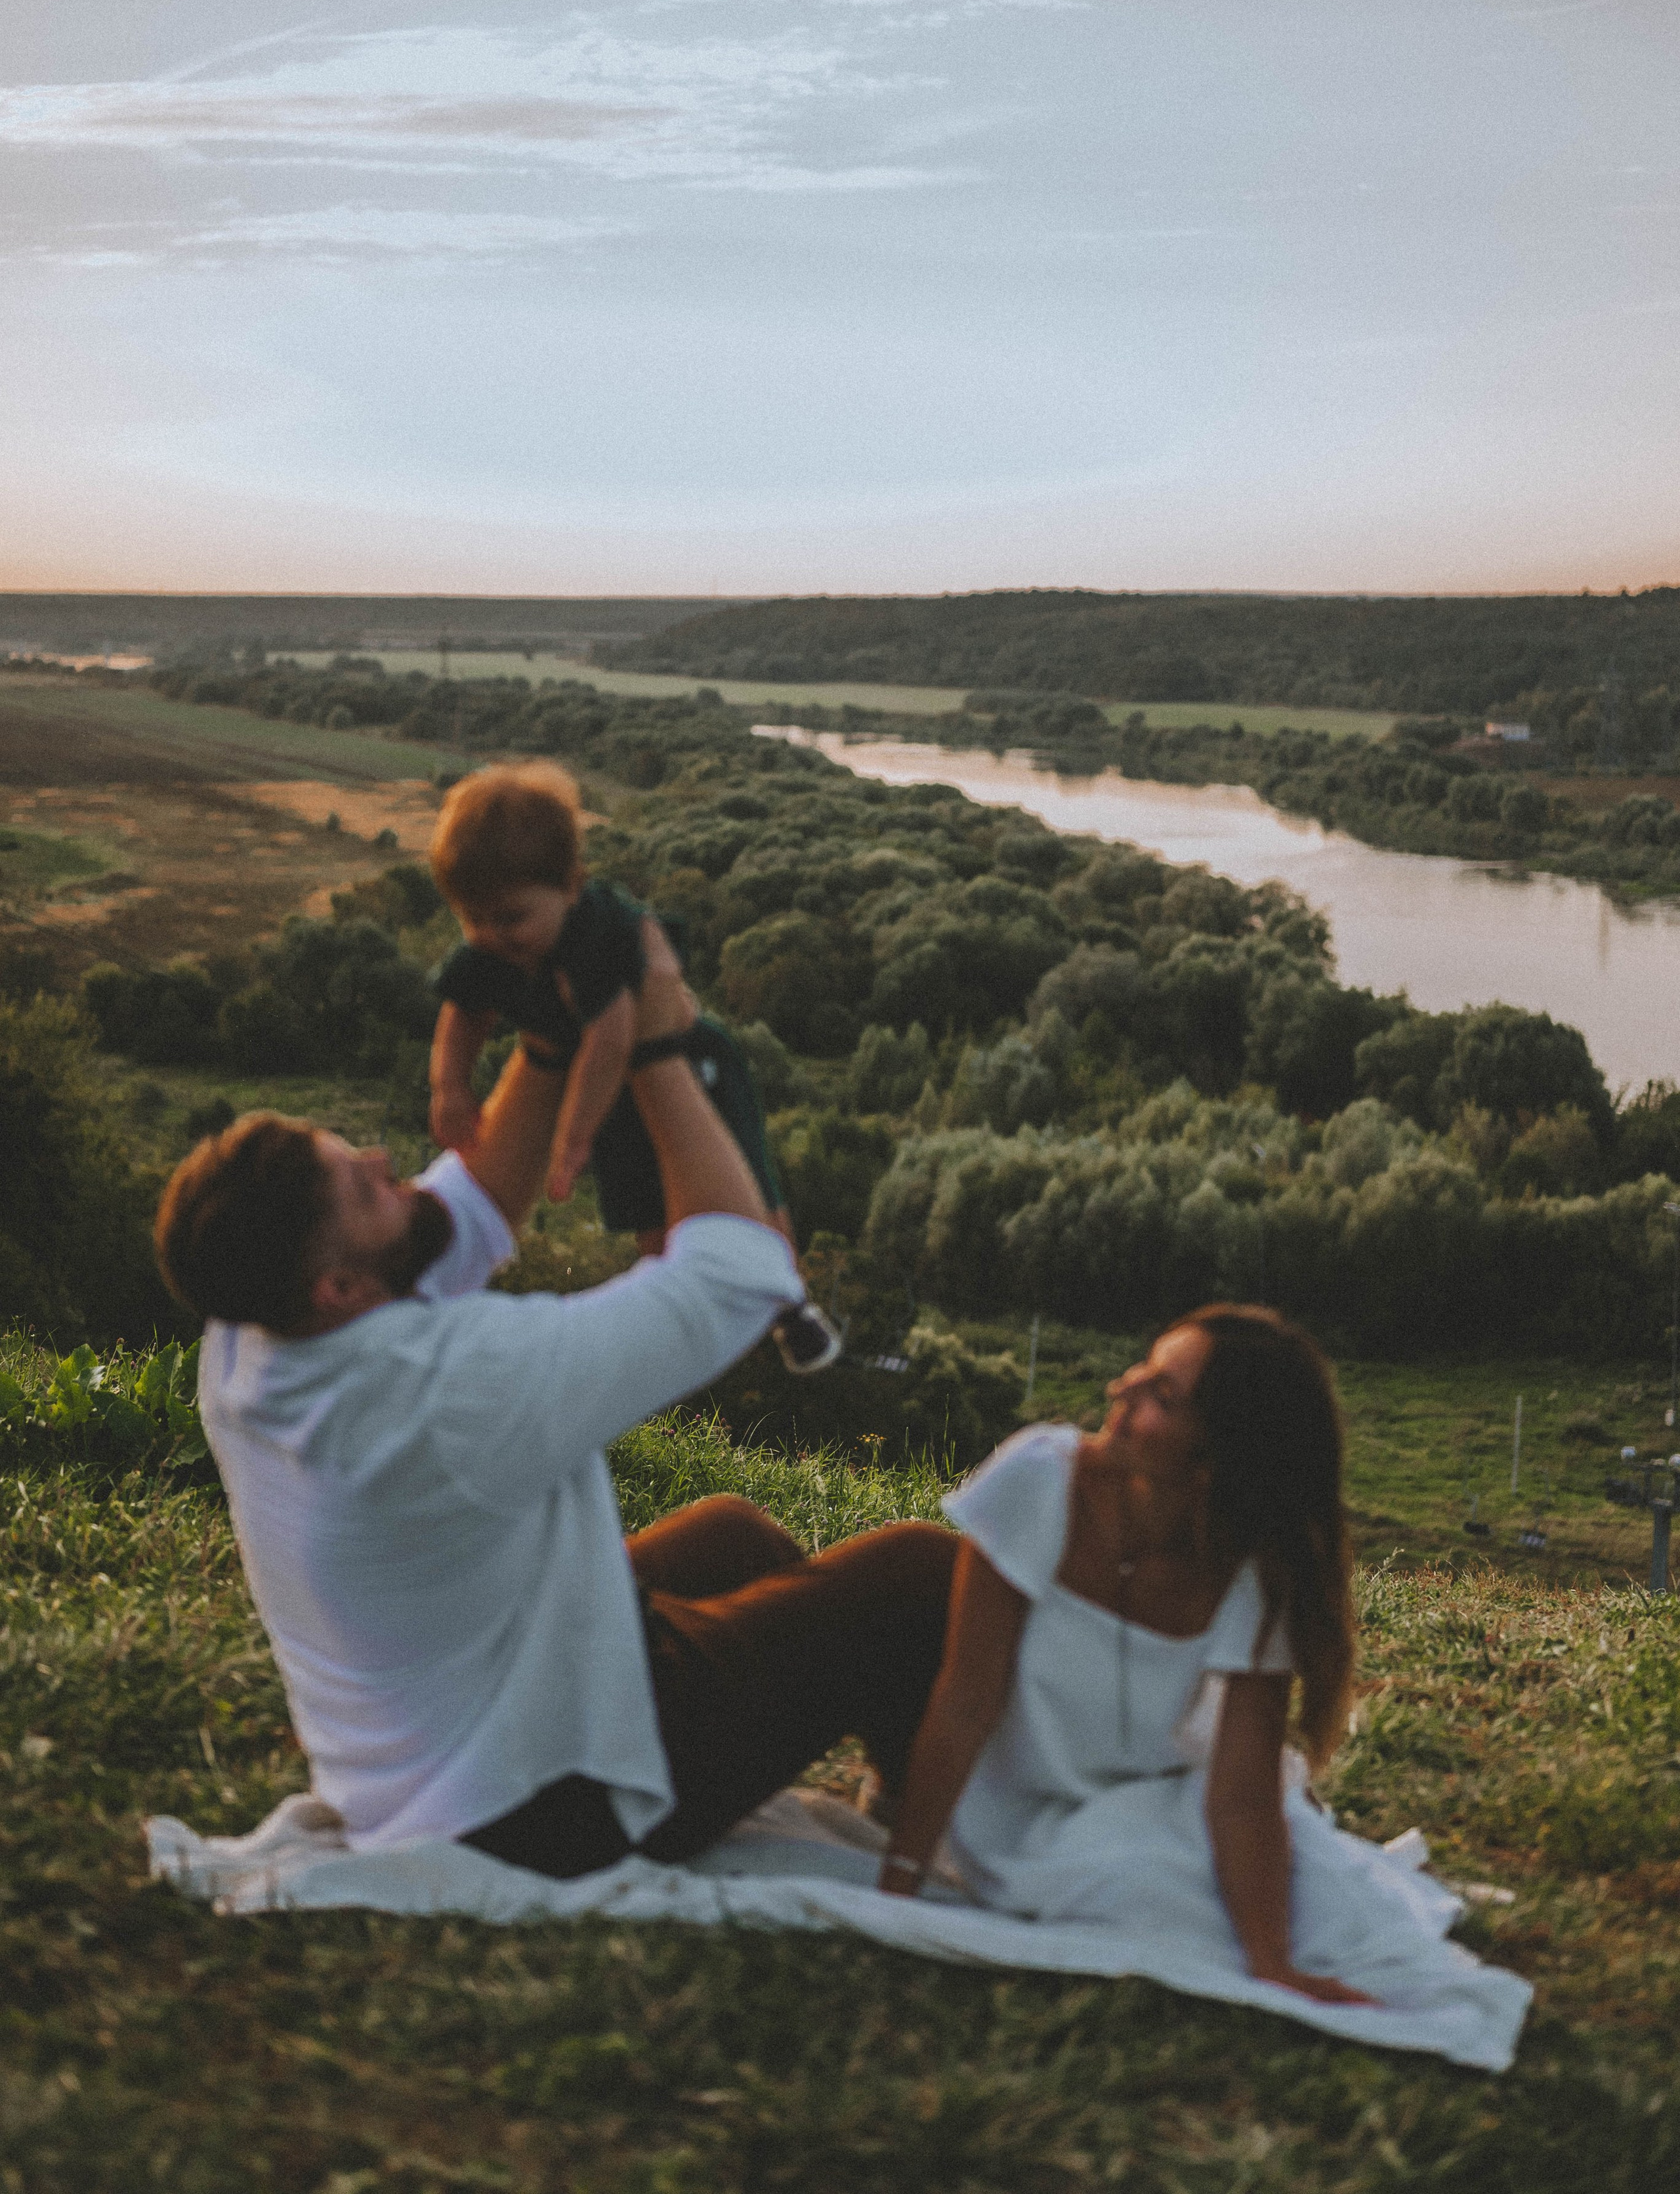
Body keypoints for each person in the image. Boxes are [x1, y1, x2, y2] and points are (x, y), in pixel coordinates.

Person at [155, 922, 955, 1881]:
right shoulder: (443, 1389)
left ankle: (813, 1725)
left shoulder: (250, 1336)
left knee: (736, 1536)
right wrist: (658, 1048)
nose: (379, 1159)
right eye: (357, 1184)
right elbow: (741, 1272)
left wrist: (549, 1029)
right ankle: (928, 1828)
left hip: (421, 1757)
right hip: (547, 1808)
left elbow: (475, 1201)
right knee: (923, 1571)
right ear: (339, 1286)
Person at [877, 1305, 1524, 2029]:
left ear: (1216, 1454)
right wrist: (898, 1880)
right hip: (1004, 1810)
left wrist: (1270, 1963)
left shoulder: (1251, 1567)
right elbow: (964, 1699)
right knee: (1138, 1894)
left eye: (1161, 1394)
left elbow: (1243, 1790)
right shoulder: (1035, 1479)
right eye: (1142, 1369)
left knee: (1249, 1900)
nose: (1122, 1388)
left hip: (1145, 1807)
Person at [426, 759, 841, 1375]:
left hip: (682, 1058)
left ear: (569, 886)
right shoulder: (497, 941)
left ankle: (792, 1308)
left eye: (510, 917)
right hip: (606, 1089)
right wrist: (451, 1086)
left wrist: (572, 1141)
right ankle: (680, 1324)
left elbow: (613, 1035)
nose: (490, 935)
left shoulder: (595, 931)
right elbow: (465, 1012)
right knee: (648, 1210)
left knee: (743, 1182)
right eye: (472, 919)